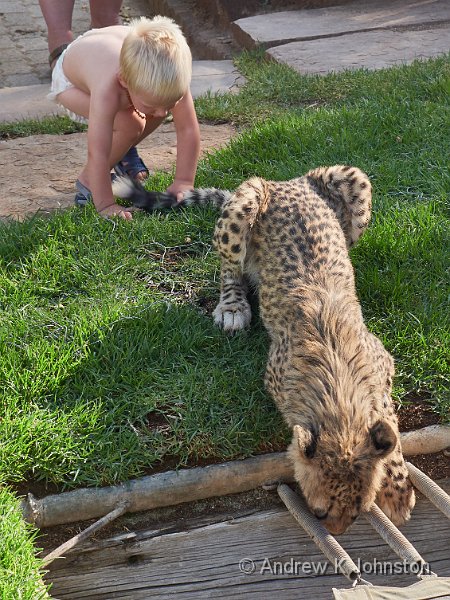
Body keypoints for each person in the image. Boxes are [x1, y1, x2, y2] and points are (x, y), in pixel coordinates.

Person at [47, 16, 201, 219]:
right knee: (130, 123)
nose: (164, 113)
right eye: (152, 105)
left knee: (148, 114)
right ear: (124, 82)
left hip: (103, 51)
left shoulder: (170, 77)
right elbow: (98, 151)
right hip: (70, 82)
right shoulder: (108, 88)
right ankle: (88, 181)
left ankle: (123, 150)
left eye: (169, 104)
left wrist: (184, 180)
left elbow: (188, 129)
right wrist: (106, 206)